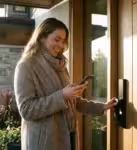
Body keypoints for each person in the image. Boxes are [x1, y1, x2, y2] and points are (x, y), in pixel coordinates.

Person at [14, 18, 117, 150]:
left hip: (69, 137)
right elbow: (26, 110)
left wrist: (102, 107)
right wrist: (62, 95)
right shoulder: (26, 66)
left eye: (63, 41)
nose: (61, 46)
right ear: (41, 38)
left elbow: (72, 101)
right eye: (57, 40)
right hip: (44, 144)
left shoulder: (61, 66)